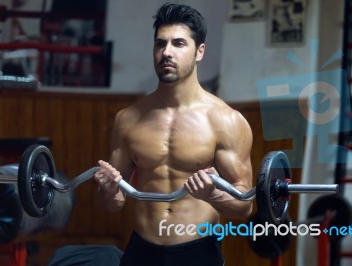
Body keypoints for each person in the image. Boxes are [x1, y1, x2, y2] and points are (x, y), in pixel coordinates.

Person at [94, 3, 253, 266]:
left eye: (179, 43)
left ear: (199, 51)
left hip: (197, 252)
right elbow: (113, 204)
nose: (166, 52)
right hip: (142, 251)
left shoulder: (226, 121)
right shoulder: (128, 119)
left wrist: (212, 194)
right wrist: (108, 190)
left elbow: (244, 206)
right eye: (160, 44)